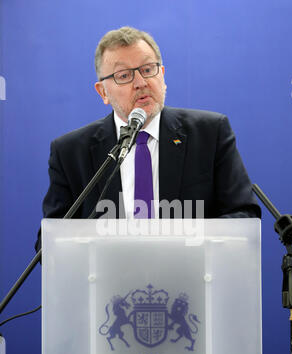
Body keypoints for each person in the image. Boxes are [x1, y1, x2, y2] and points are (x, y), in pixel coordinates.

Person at [35, 26, 260, 251]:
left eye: (147, 69)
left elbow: (243, 218)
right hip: (108, 282)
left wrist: (189, 247)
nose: (141, 82)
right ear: (103, 92)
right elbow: (49, 244)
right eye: (124, 75)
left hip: (192, 278)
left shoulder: (210, 134)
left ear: (162, 74)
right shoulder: (71, 152)